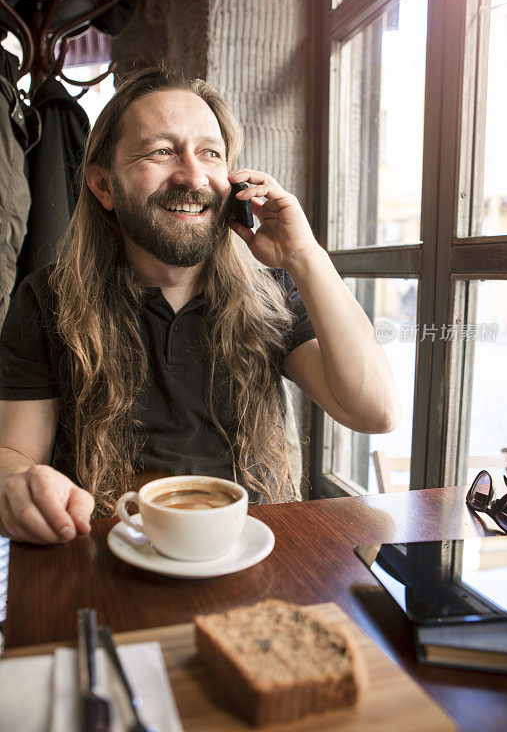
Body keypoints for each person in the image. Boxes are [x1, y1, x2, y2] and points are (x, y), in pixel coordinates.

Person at [0, 66, 401, 545]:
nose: (193, 175)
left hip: (250, 554)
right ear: (104, 187)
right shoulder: (48, 299)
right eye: (162, 151)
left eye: (211, 153)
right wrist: (16, 482)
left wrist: (305, 255)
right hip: (107, 555)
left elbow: (375, 412)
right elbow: (14, 452)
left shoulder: (270, 291)